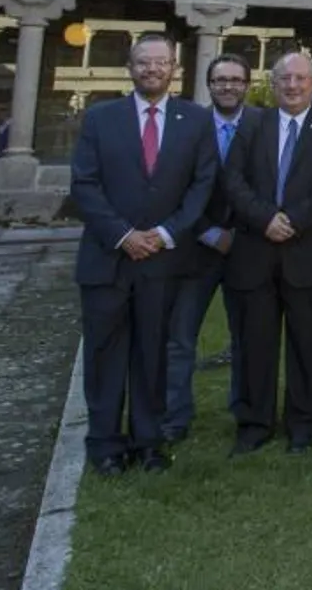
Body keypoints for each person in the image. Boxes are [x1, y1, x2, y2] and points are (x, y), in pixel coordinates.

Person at [68, 34, 217, 476]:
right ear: (129, 67)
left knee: (153, 354)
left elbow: (202, 184)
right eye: (144, 62)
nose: (152, 70)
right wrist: (124, 235)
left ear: (174, 68)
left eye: (161, 63)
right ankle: (106, 444)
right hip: (108, 260)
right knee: (105, 356)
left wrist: (167, 233)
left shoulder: (194, 120)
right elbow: (85, 185)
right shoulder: (101, 118)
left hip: (163, 260)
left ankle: (150, 441)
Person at [219, 51, 312, 456]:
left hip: (308, 252)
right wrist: (266, 220)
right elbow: (234, 179)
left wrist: (292, 219)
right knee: (255, 344)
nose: (292, 86)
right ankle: (255, 423)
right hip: (256, 252)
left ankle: (304, 422)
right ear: (274, 84)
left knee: (307, 344)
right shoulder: (253, 124)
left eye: (300, 79)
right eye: (284, 79)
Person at [164, 53, 250, 444]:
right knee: (181, 337)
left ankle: (246, 414)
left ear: (247, 85)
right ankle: (174, 416)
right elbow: (173, 189)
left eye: (235, 80)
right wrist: (209, 232)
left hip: (248, 248)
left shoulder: (262, 125)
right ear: (209, 85)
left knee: (247, 339)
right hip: (196, 248)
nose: (228, 86)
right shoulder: (185, 127)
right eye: (220, 80)